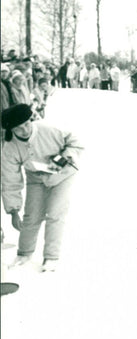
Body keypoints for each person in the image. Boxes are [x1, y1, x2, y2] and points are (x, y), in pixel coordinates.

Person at [1, 103, 82, 272]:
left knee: (54, 213)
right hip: (35, 176)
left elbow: (76, 143)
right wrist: (13, 210)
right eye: (18, 128)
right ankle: (24, 253)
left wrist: (62, 158)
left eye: (26, 124)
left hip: (62, 175)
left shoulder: (49, 129)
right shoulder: (10, 147)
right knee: (31, 215)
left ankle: (51, 257)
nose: (24, 130)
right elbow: (10, 179)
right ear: (11, 131)